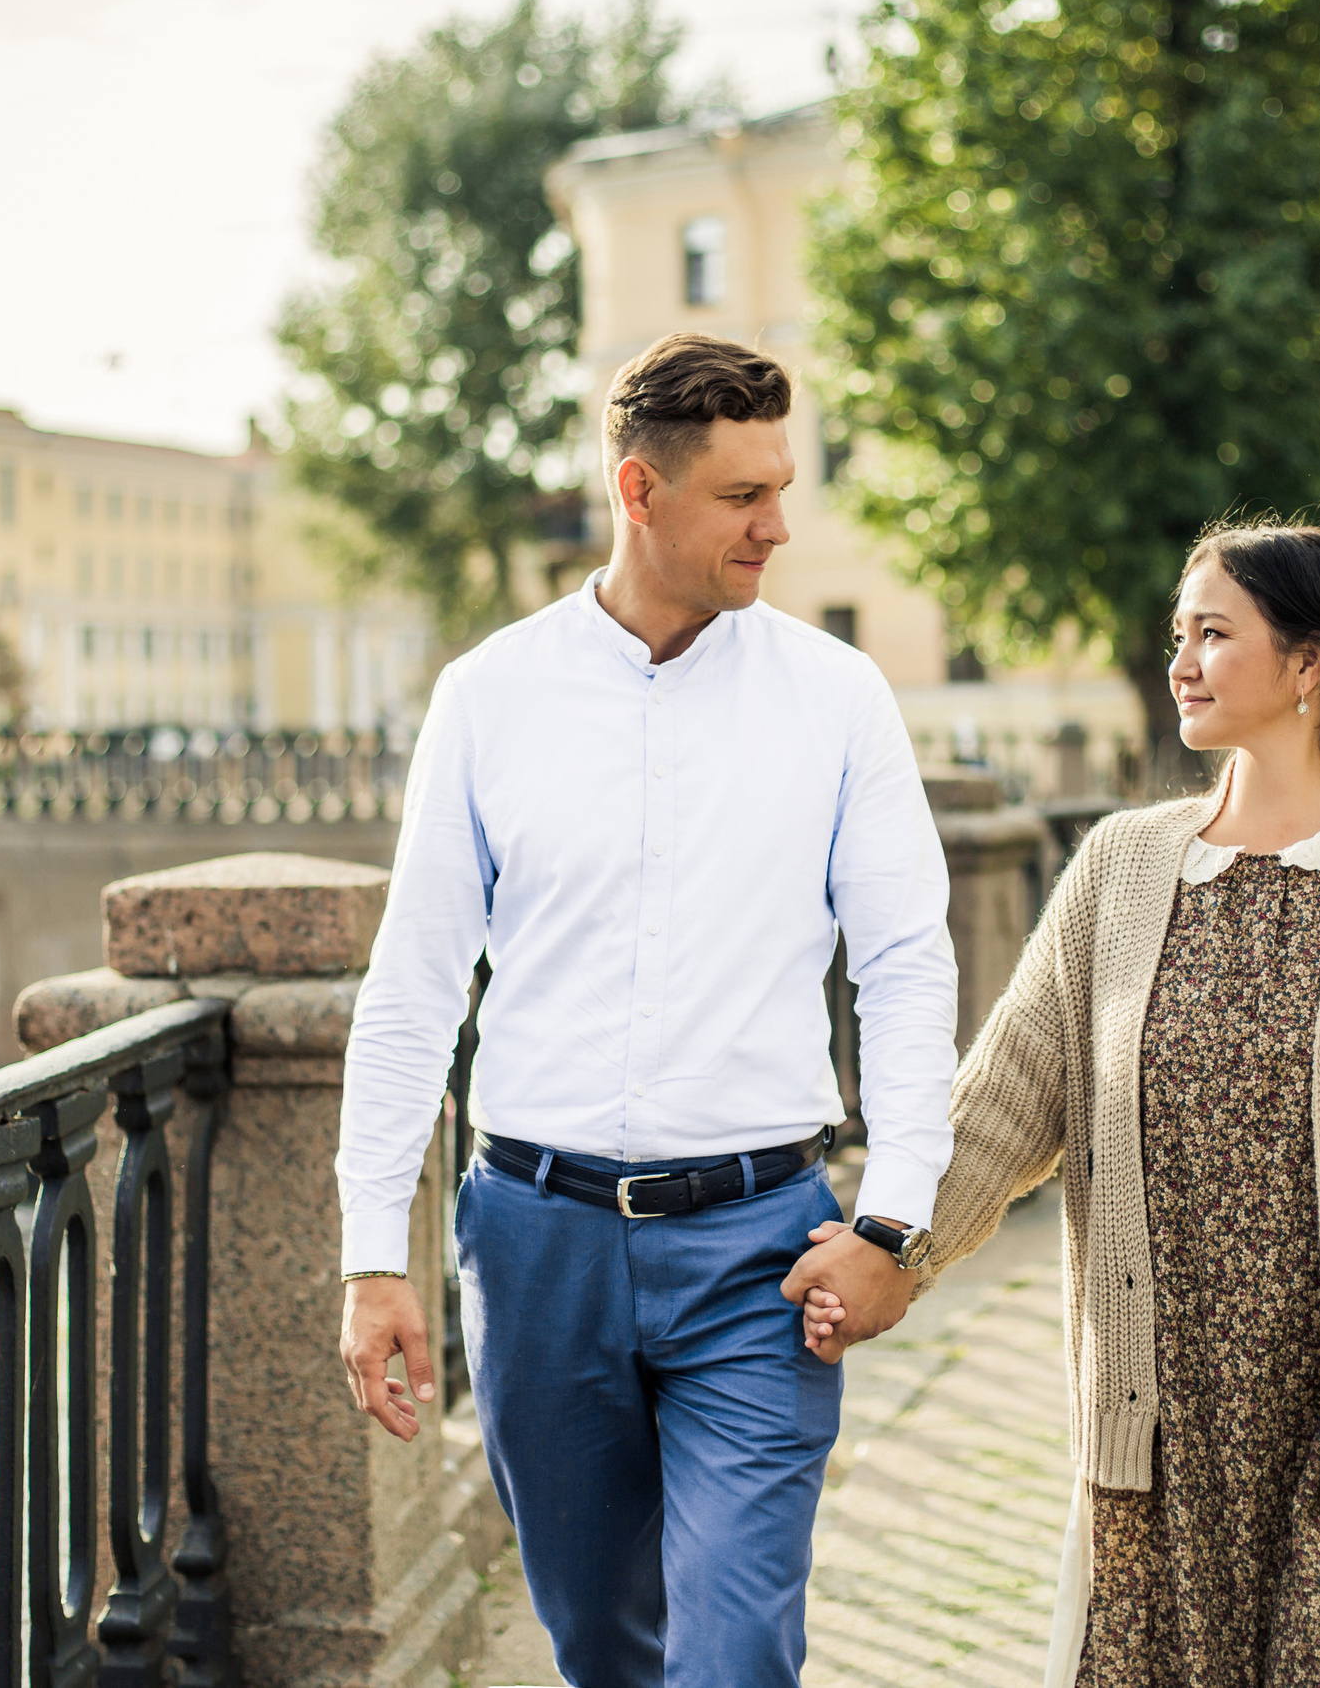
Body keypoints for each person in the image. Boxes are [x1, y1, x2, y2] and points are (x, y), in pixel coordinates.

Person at [804, 520, 1320, 1685]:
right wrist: (891, 1248)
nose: (1182, 662)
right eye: (1177, 635)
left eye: (1215, 634)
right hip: (1170, 1399)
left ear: (1309, 662)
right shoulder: (1122, 863)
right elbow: (1006, 1100)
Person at [334, 332, 960, 1688]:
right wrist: (373, 1249)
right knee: (606, 1650)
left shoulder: (839, 697)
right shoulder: (490, 696)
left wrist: (897, 1220)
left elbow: (907, 959)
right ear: (640, 489)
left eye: (780, 488)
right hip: (535, 1244)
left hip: (761, 1253)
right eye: (744, 497)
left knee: (731, 1655)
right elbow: (416, 981)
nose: (778, 527)